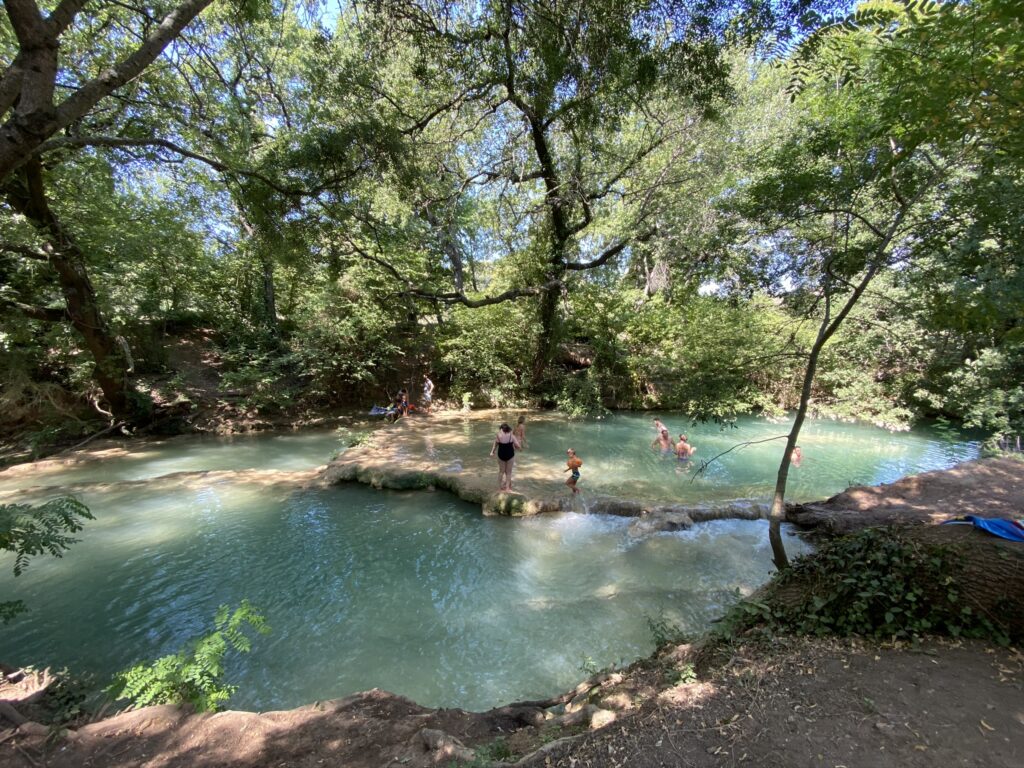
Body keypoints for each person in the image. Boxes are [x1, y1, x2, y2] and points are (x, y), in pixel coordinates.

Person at [489, 422, 521, 492]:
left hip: (501, 455)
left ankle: (499, 488)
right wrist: (519, 448)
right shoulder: (511, 435)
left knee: (501, 472)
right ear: (508, 429)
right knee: (509, 472)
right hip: (510, 455)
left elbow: (495, 445)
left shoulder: (499, 435)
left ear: (501, 429)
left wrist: (492, 452)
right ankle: (507, 488)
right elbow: (517, 446)